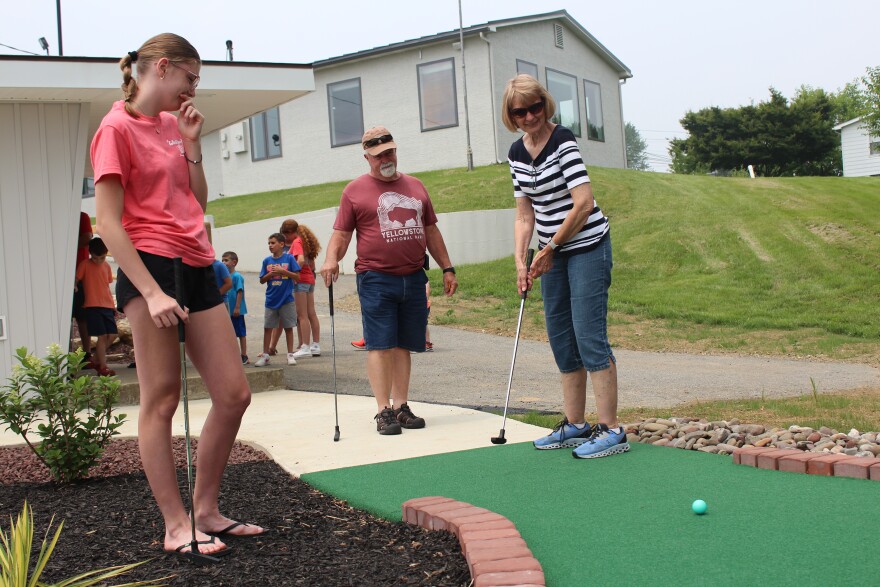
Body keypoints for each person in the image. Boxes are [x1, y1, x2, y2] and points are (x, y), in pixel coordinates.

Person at [92, 33, 263, 558]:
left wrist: (191, 144)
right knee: (161, 399)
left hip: (196, 263)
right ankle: (175, 524)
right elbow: (108, 223)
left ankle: (206, 510)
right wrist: (149, 291)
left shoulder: (172, 124)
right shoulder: (114, 128)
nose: (193, 89)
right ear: (161, 68)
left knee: (234, 394)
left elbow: (197, 199)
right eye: (190, 78)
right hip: (151, 270)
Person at [503, 74, 628, 459]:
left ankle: (611, 430)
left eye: (535, 107)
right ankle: (574, 425)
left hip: (586, 244)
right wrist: (521, 260)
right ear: (511, 116)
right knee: (561, 336)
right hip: (550, 253)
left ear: (546, 104)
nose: (529, 116)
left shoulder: (563, 141)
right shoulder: (516, 153)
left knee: (589, 334)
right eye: (519, 111)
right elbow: (524, 214)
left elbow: (584, 202)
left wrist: (551, 247)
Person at [320, 126, 458, 435]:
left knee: (404, 345)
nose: (387, 158)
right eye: (380, 154)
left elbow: (431, 231)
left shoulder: (416, 186)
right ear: (367, 156)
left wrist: (447, 267)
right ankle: (383, 410)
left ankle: (401, 406)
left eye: (391, 151)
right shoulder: (354, 191)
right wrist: (331, 259)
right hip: (376, 278)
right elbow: (341, 234)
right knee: (380, 344)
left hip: (413, 276)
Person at [255, 232, 300, 367]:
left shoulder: (290, 259)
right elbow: (262, 280)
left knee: (288, 327)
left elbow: (297, 277)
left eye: (273, 243)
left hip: (286, 299)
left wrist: (283, 272)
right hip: (271, 299)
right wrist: (271, 274)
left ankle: (290, 354)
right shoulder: (266, 261)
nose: (270, 245)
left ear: (281, 244)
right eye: (269, 243)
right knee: (268, 327)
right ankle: (266, 355)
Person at [75, 237, 117, 376]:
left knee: (112, 335)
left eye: (102, 258)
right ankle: (103, 367)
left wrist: (113, 306)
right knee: (102, 335)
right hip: (92, 305)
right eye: (95, 258)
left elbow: (106, 285)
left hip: (107, 305)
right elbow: (76, 278)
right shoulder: (85, 265)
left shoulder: (107, 266)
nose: (98, 261)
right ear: (90, 253)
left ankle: (96, 360)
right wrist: (75, 285)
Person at [288, 221, 322, 359]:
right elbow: (312, 265)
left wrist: (293, 273)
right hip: (309, 279)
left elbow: (300, 260)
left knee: (301, 315)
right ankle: (315, 345)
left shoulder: (297, 242)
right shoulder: (307, 243)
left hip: (300, 280)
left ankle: (305, 346)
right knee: (311, 313)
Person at [72, 211, 93, 357]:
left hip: (81, 273)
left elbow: (87, 237)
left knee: (83, 316)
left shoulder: (81, 216)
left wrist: (68, 247)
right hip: (65, 274)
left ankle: (86, 353)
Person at [221, 251, 249, 365]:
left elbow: (239, 292)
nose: (223, 262)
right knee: (230, 333)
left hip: (236, 311)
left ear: (234, 262)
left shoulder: (237, 276)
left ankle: (244, 355)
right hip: (228, 310)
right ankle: (233, 354)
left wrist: (237, 307)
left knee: (241, 333)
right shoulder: (225, 277)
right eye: (222, 260)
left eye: (226, 260)